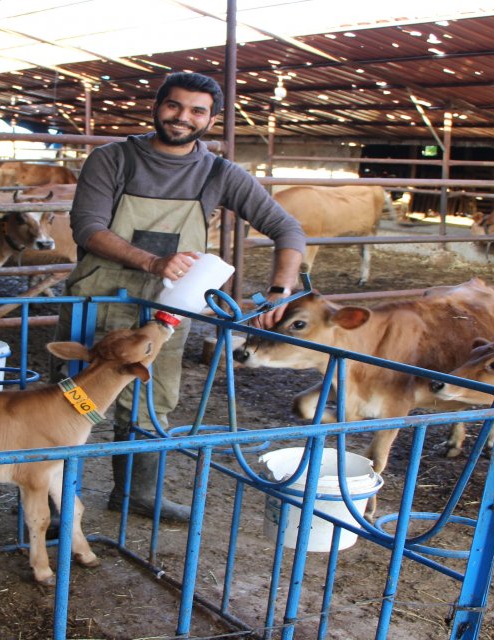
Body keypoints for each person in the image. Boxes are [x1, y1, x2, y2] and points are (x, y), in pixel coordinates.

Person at [61, 72, 305, 522]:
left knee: (153, 400)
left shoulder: (218, 172)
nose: (183, 117)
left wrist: (280, 290)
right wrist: (152, 262)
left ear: (212, 119)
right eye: (174, 106)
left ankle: (137, 493)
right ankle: (59, 500)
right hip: (97, 296)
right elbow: (88, 228)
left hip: (168, 307)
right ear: (157, 106)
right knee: (75, 395)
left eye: (197, 111)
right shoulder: (113, 159)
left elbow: (287, 228)